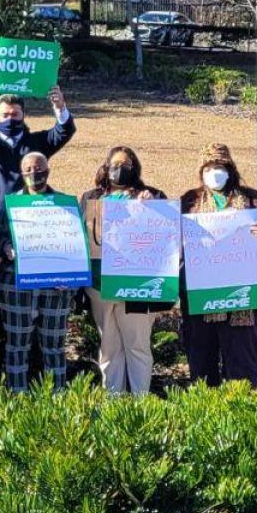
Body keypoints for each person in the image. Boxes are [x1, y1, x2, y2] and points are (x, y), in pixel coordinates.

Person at [178, 144, 257, 387]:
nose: (215, 172)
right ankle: (205, 413)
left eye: (220, 167)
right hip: (202, 299)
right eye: (209, 168)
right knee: (202, 364)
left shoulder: (251, 199)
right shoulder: (189, 200)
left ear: (230, 169)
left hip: (241, 301)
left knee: (242, 365)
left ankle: (242, 414)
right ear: (201, 171)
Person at [79, 146, 170, 396]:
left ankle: (141, 404)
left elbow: (166, 235)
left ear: (135, 168)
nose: (120, 170)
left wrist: (153, 207)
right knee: (109, 349)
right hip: (99, 285)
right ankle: (113, 404)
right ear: (106, 167)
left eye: (126, 165)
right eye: (115, 164)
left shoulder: (152, 195)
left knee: (137, 347)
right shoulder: (90, 198)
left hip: (136, 285)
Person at [0, 152, 77, 393]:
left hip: (56, 286)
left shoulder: (64, 204)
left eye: (39, 168)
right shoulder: (10, 203)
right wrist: (6, 247)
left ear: (49, 170)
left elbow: (75, 243)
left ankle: (57, 398)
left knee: (54, 346)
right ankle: (17, 398)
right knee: (16, 345)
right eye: (29, 169)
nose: (35, 173)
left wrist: (72, 279)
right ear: (22, 174)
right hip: (16, 283)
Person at [0, 75, 76, 199]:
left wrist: (60, 107)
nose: (10, 119)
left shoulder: (38, 143)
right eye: (5, 115)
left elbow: (65, 130)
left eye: (15, 114)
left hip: (27, 212)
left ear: (23, 115)